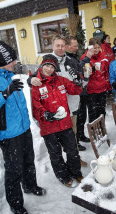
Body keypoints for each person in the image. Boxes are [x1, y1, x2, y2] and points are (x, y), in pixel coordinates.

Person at [0, 41, 45, 214]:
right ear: (3, 61)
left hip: (24, 129)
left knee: (29, 162)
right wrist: (4, 94)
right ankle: (16, 205)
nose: (15, 63)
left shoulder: (9, 76)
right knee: (14, 171)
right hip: (9, 135)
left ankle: (30, 186)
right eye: (12, 60)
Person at [28, 36, 89, 154]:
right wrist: (30, 80)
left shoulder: (72, 61)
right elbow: (36, 77)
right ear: (53, 46)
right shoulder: (48, 61)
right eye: (57, 45)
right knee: (59, 140)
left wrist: (80, 79)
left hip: (71, 105)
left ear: (66, 46)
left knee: (73, 135)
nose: (60, 48)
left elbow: (79, 79)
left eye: (62, 45)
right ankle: (62, 163)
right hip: (55, 110)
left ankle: (75, 158)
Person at [31, 54, 83, 188]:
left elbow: (75, 90)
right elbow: (36, 108)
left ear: (55, 68)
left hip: (65, 124)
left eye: (52, 67)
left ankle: (76, 173)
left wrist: (78, 82)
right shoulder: (36, 84)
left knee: (72, 150)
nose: (48, 69)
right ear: (42, 66)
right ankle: (64, 177)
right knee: (56, 155)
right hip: (49, 127)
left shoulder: (61, 80)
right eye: (46, 66)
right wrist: (46, 114)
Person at [80, 37, 110, 123]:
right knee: (93, 113)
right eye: (94, 48)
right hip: (91, 90)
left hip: (102, 88)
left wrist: (107, 84)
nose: (96, 50)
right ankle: (94, 132)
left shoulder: (103, 56)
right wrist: (92, 69)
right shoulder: (85, 57)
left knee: (102, 111)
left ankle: (102, 129)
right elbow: (83, 74)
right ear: (90, 47)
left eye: (98, 47)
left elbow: (106, 72)